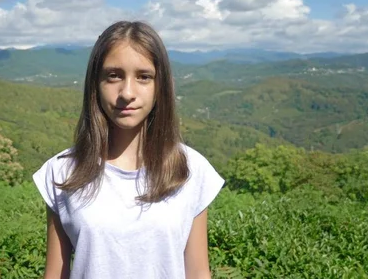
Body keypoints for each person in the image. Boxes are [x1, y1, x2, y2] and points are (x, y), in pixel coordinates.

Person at [32, 20, 225, 279]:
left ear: (161, 86)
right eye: (114, 75)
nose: (127, 92)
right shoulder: (62, 172)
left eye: (144, 77)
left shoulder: (190, 168)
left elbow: (199, 272)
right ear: (95, 83)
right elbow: (56, 274)